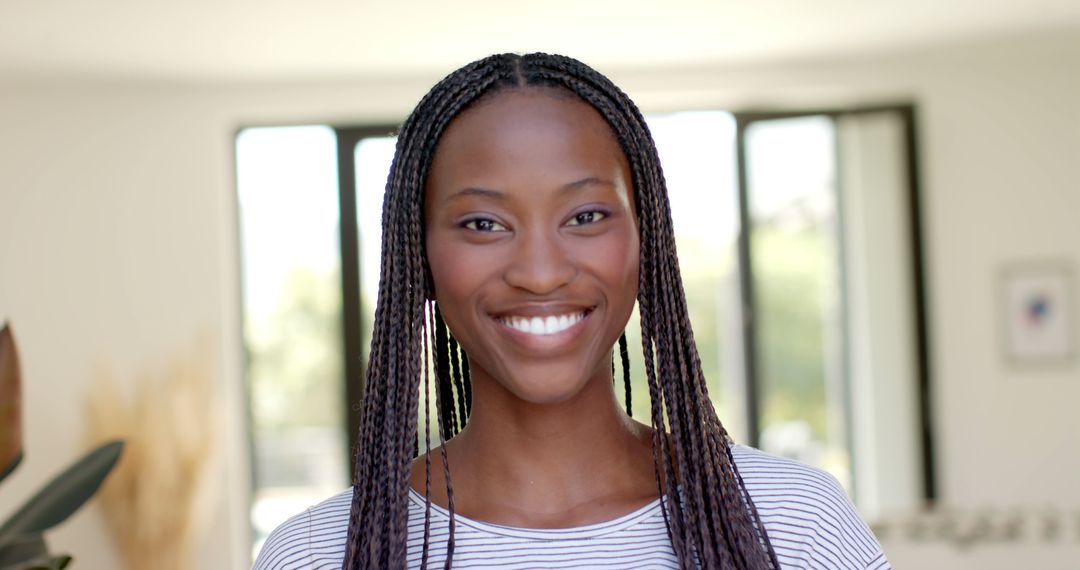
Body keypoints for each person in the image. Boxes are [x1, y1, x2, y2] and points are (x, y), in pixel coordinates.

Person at [254, 52, 890, 570]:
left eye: (585, 217)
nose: (540, 272)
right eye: (483, 223)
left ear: (647, 241)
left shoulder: (792, 525)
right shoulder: (320, 554)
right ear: (417, 256)